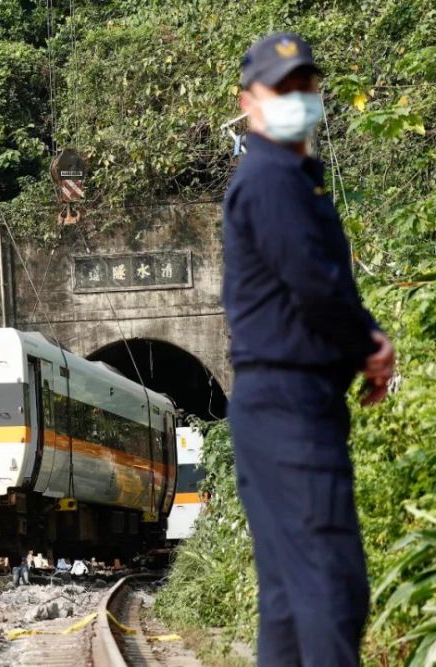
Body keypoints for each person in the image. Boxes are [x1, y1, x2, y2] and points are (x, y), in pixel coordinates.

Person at [223, 33, 395, 664]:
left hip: (282, 406)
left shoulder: (288, 178)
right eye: (283, 88)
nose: (299, 99)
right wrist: (370, 344)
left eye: (306, 86)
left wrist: (361, 342)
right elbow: (314, 282)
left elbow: (316, 281)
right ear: (250, 102)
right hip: (290, 408)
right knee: (331, 584)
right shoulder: (272, 179)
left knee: (294, 601)